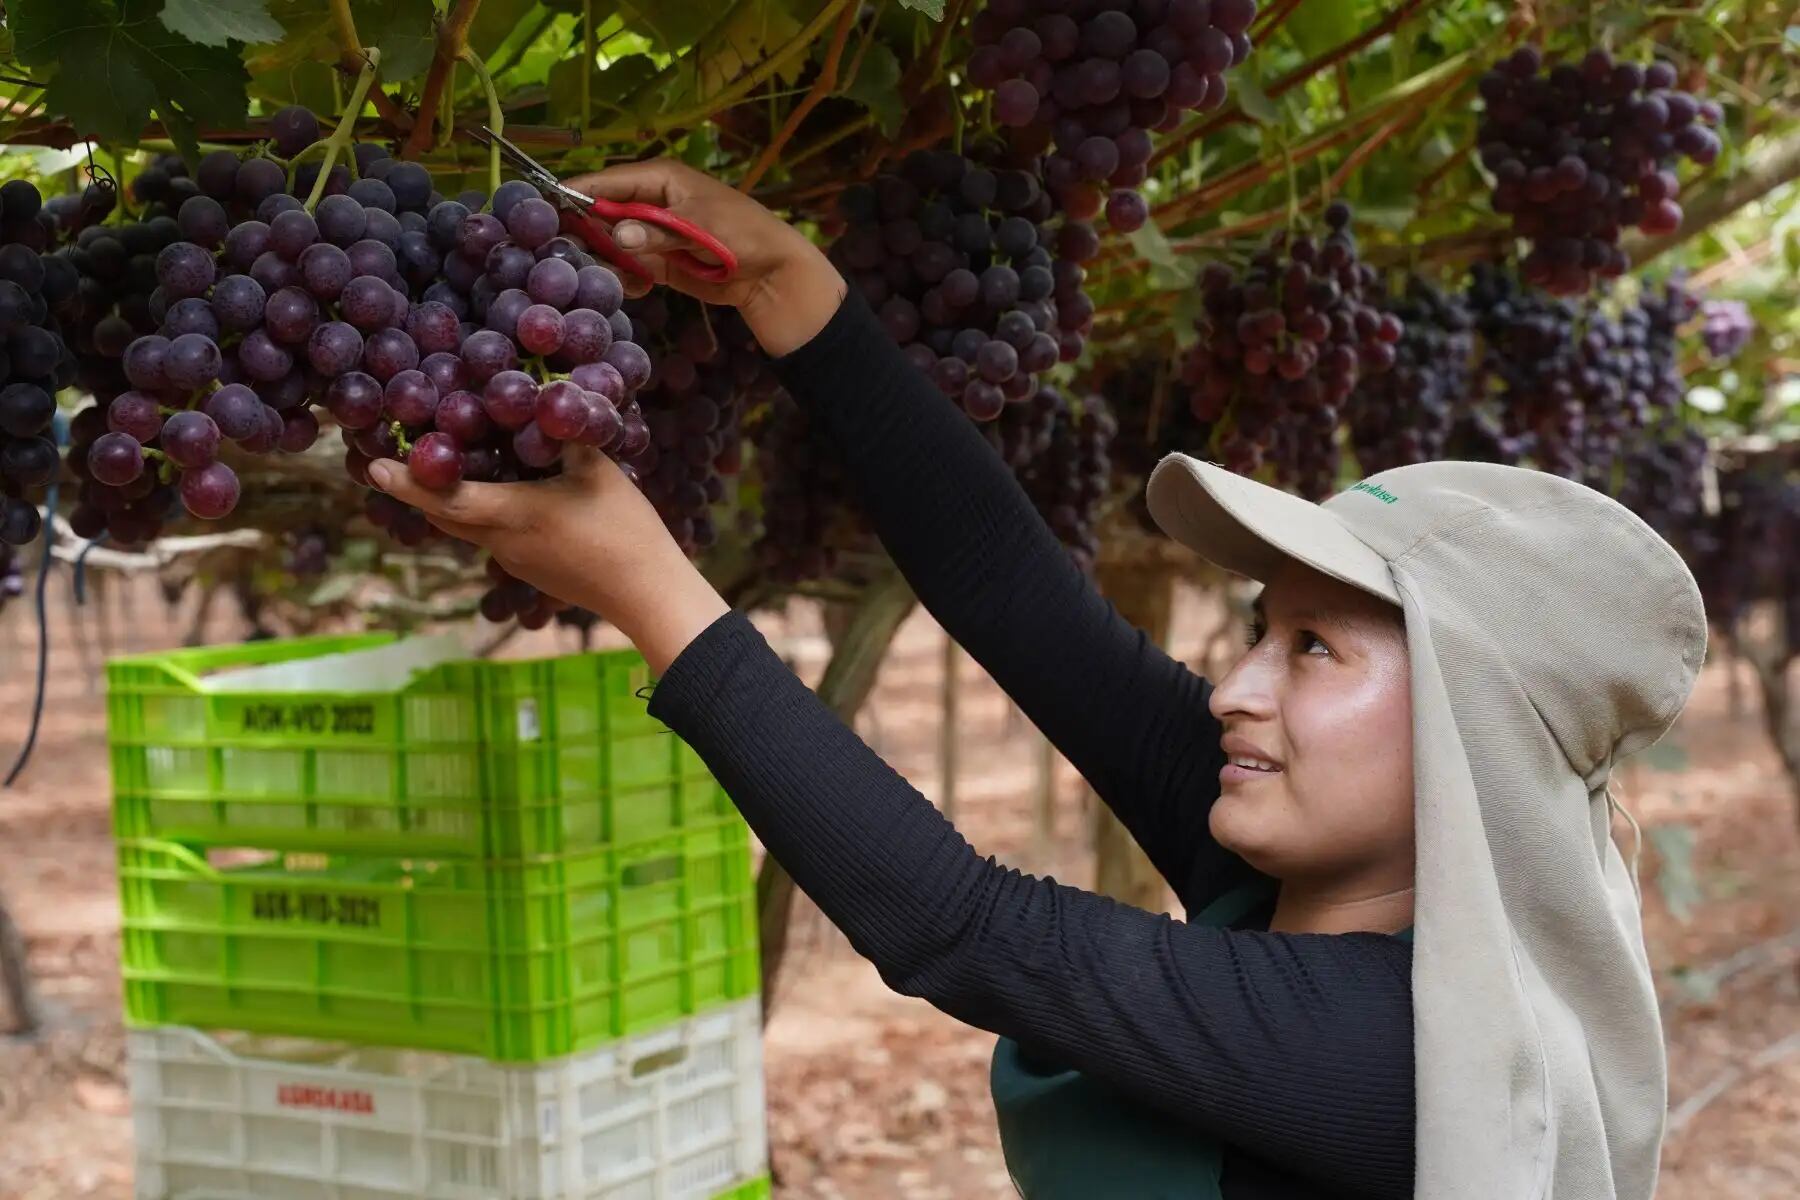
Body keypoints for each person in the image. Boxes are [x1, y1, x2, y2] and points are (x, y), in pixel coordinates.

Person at [367, 162, 1707, 1200]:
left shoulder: (1394, 1050)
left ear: (1472, 736)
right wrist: (787, 285)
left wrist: (648, 589)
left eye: (1314, 649)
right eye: (1258, 629)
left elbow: (965, 927)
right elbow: (1014, 591)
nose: (1233, 687)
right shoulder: (1315, 866)